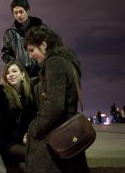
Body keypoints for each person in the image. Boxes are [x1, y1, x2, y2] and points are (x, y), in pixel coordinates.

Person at [24, 26, 89, 172]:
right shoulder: (67, 61)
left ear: (44, 45)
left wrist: (36, 128)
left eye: (32, 50)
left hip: (54, 135)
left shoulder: (54, 62)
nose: (30, 55)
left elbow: (55, 104)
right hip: (68, 134)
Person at [0, 61, 37, 170]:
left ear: (23, 74)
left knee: (24, 166)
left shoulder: (30, 95)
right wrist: (21, 137)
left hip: (24, 139)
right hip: (4, 140)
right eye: (7, 73)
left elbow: (33, 119)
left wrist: (29, 134)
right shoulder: (0, 92)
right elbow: (1, 125)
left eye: (14, 71)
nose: (10, 74)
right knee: (34, 156)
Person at [1, 0, 45, 78]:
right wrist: (18, 66)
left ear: (27, 10)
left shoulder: (41, 28)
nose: (18, 15)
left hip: (42, 73)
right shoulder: (9, 33)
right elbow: (5, 54)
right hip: (23, 77)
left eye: (21, 12)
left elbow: (49, 48)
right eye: (15, 13)